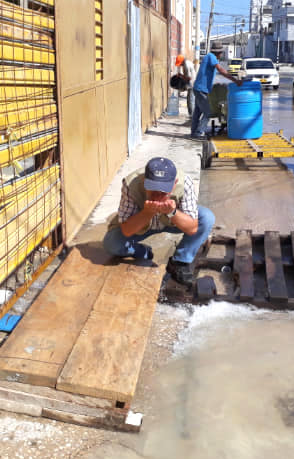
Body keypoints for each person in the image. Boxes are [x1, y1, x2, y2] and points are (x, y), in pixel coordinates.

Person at [103, 157, 215, 286]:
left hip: (171, 221)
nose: (157, 195)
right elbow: (127, 230)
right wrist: (147, 212)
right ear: (144, 181)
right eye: (153, 188)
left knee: (206, 218)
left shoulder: (185, 183)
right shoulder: (130, 184)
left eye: (163, 190)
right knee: (111, 243)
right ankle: (143, 252)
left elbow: (192, 229)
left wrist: (172, 213)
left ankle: (180, 262)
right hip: (143, 224)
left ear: (174, 183)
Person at [191, 42, 242, 138]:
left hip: (199, 88)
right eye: (221, 53)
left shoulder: (208, 57)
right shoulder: (211, 57)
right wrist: (235, 81)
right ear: (218, 52)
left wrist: (217, 85)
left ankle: (193, 132)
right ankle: (198, 133)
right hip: (201, 89)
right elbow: (221, 70)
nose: (221, 55)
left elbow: (207, 74)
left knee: (197, 112)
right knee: (207, 112)